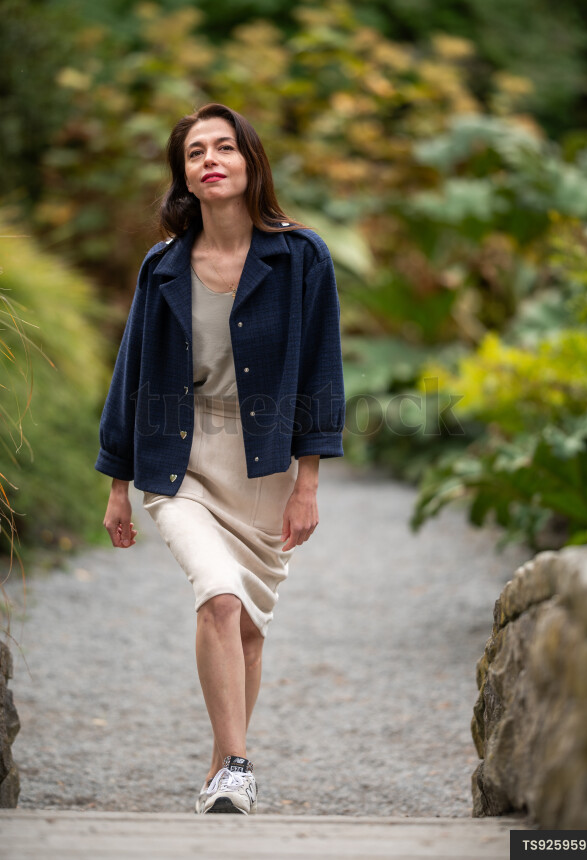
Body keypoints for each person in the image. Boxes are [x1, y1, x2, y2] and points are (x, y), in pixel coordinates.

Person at [95, 102, 345, 815]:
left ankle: (218, 774)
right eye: (195, 151)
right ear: (184, 176)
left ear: (249, 161)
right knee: (219, 595)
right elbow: (132, 372)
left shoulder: (302, 258)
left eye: (225, 146)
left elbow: (321, 371)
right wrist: (117, 484)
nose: (211, 159)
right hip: (180, 457)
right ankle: (238, 765)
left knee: (248, 626)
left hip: (263, 466)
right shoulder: (163, 267)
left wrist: (308, 482)